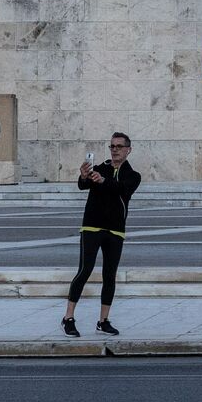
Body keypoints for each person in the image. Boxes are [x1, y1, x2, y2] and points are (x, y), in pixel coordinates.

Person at [62, 132, 141, 338]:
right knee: (84, 270)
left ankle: (103, 321)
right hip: (92, 227)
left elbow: (121, 189)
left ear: (128, 150)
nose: (114, 150)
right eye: (112, 146)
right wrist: (84, 175)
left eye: (119, 146)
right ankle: (68, 318)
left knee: (109, 276)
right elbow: (82, 185)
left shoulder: (132, 175)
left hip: (115, 230)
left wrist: (103, 180)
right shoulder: (99, 168)